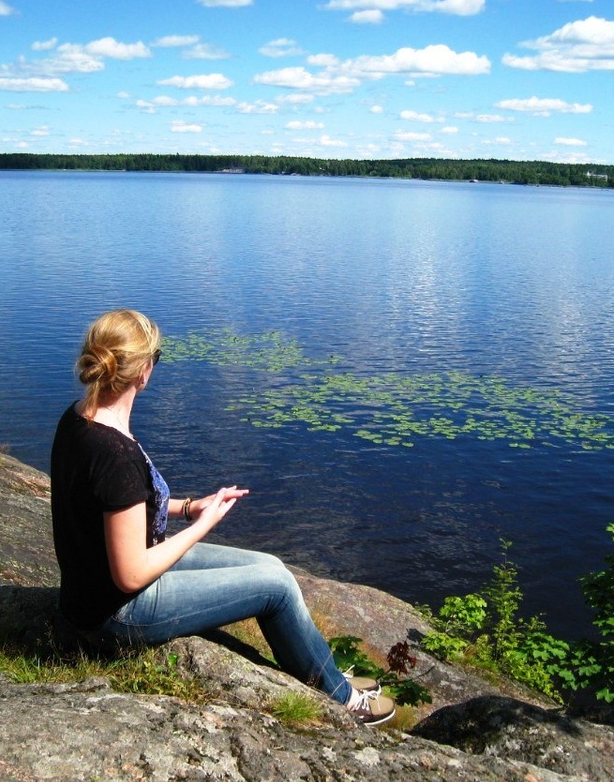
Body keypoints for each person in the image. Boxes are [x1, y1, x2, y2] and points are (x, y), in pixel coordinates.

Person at [50, 309, 394, 726]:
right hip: (117, 614)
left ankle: (326, 671)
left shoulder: (78, 420)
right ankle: (343, 701)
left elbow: (116, 506)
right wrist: (201, 527)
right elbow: (130, 575)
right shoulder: (114, 454)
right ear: (143, 371)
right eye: (157, 358)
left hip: (98, 590)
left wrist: (191, 505)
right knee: (278, 588)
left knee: (273, 566)